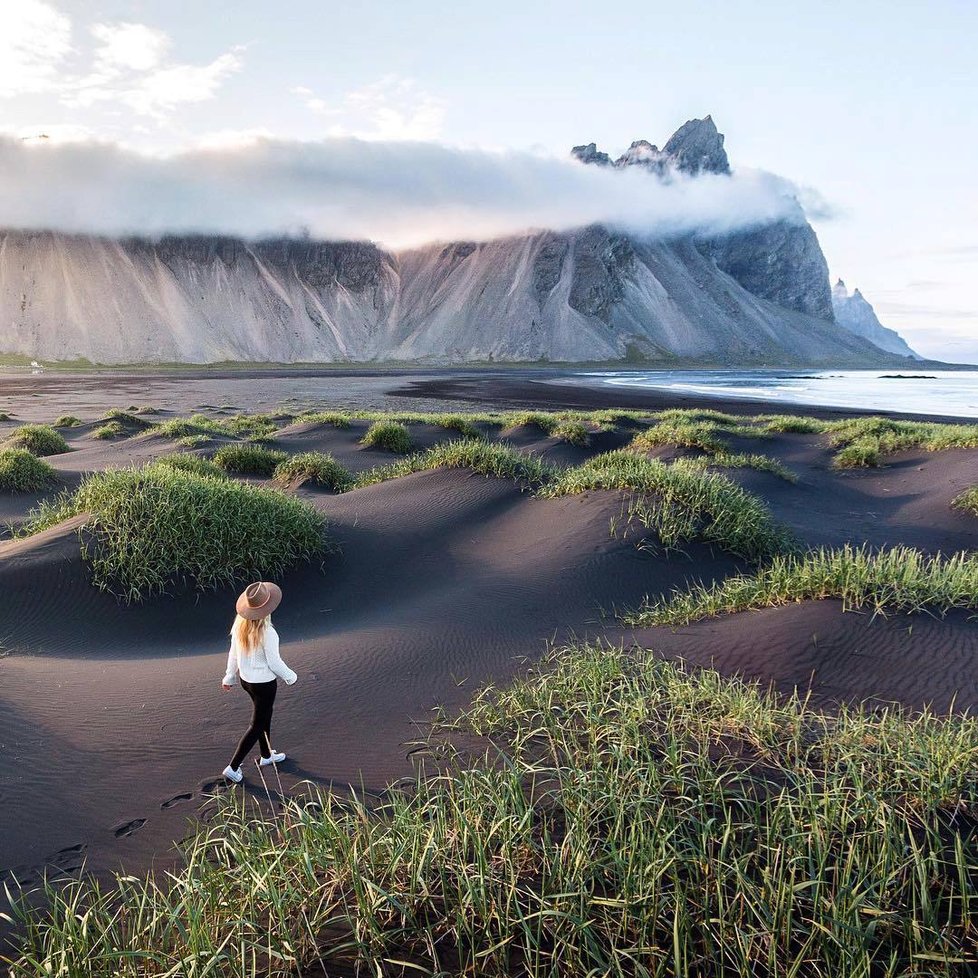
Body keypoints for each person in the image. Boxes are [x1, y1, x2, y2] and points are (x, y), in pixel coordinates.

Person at [221, 581, 297, 783]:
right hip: (264, 685)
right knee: (257, 724)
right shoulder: (268, 633)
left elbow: (233, 655)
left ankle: (266, 755)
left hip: (247, 682)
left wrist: (229, 676)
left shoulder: (239, 626)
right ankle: (233, 767)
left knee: (265, 715)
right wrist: (291, 676)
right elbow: (274, 662)